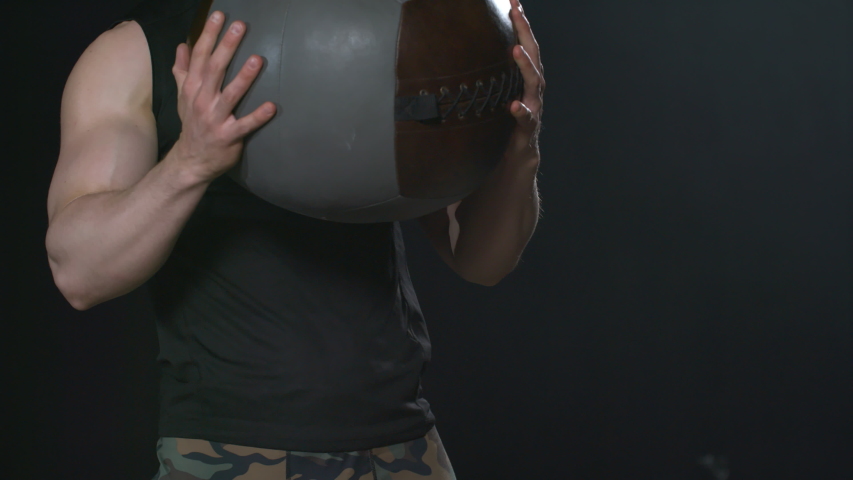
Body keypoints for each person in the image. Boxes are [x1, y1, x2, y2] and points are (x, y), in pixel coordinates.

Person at [45, 0, 545, 477]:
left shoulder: (409, 28)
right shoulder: (134, 53)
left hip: (403, 443)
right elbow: (79, 272)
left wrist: (519, 154)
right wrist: (189, 163)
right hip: (235, 449)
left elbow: (481, 261)